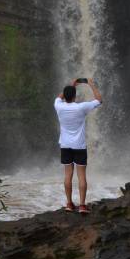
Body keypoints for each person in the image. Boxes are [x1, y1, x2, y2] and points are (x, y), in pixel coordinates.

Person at [54, 78, 103, 215]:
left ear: (65, 96)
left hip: (65, 145)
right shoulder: (82, 107)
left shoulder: (59, 106)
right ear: (75, 96)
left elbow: (59, 97)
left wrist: (70, 85)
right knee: (81, 176)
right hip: (79, 146)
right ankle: (82, 205)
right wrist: (91, 84)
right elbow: (99, 100)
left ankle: (69, 203)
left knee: (67, 175)